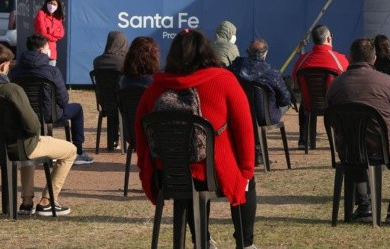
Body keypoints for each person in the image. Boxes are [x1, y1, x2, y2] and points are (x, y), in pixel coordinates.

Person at [135, 29, 256, 248]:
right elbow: (245, 129)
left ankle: (202, 239)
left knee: (187, 180)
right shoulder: (225, 81)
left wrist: (147, 171)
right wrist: (246, 171)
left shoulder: (155, 88)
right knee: (246, 181)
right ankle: (245, 243)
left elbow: (140, 135)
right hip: (213, 172)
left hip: (167, 173)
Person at [0, 43, 77, 216]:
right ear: (3, 66)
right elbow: (33, 125)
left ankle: (26, 203)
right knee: (70, 150)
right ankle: (47, 201)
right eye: (9, 64)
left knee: (24, 143)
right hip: (21, 147)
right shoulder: (12, 90)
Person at [327, 38, 390, 225]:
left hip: (348, 150)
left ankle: (364, 207)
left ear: (350, 57)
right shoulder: (386, 82)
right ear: (374, 59)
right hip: (382, 149)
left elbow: (332, 119)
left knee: (357, 153)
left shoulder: (335, 85)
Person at [10, 34, 93, 165]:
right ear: (42, 50)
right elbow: (63, 99)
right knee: (77, 109)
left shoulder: (15, 71)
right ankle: (78, 151)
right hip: (49, 115)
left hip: (23, 115)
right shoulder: (52, 71)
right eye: (48, 47)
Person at [230, 39, 294, 166]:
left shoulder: (233, 69)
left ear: (247, 52)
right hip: (265, 117)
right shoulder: (273, 74)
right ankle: (257, 152)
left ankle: (255, 152)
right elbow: (285, 100)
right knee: (286, 104)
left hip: (239, 114)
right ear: (265, 54)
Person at [291, 24, 349, 150]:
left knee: (304, 104)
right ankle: (341, 139)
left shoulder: (302, 60)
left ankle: (303, 139)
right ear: (329, 38)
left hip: (309, 105)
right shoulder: (340, 60)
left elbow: (295, 83)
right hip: (333, 106)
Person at [93, 30, 129, 150]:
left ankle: (113, 141)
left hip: (105, 102)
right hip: (123, 103)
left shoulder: (97, 61)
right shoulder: (125, 62)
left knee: (114, 103)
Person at [34, 0, 65, 66]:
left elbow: (61, 34)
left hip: (52, 53)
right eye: (50, 3)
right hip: (41, 50)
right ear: (46, 3)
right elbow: (42, 33)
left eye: (54, 4)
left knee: (50, 75)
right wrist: (54, 38)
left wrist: (49, 30)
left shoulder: (58, 18)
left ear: (58, 6)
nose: (52, 6)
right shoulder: (41, 14)